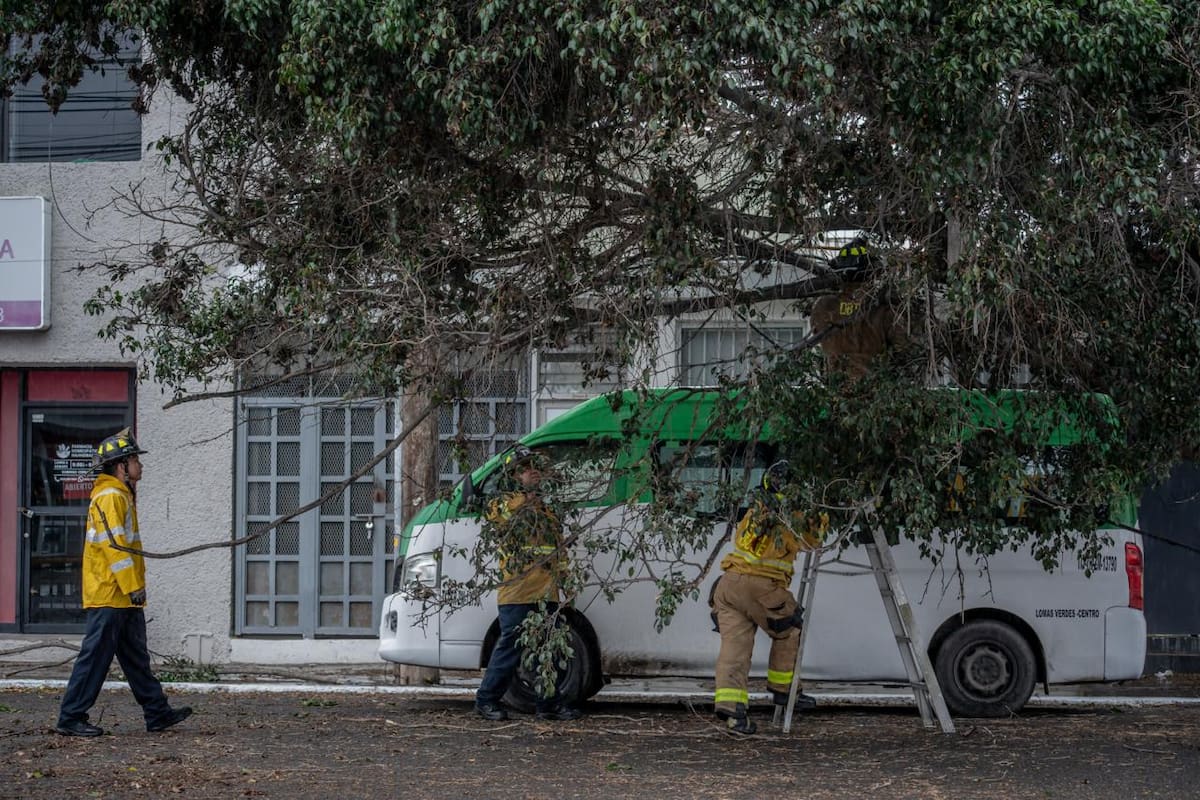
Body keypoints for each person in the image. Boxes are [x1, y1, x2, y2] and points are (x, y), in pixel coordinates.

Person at [56, 429, 192, 737]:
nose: (140, 466)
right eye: (134, 460)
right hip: (111, 594)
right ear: (121, 466)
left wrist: (132, 590)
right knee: (94, 659)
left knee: (135, 658)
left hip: (122, 595)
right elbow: (114, 548)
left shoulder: (119, 495)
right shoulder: (111, 497)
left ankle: (157, 712)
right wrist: (133, 586)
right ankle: (70, 717)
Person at [710, 460, 825, 735]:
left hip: (727, 586)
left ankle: (733, 712)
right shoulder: (791, 514)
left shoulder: (755, 509)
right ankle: (785, 691)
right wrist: (820, 511)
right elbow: (814, 541)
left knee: (734, 648)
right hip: (760, 587)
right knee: (790, 627)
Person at [474, 446, 582, 722]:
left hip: (547, 593)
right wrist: (526, 496)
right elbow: (499, 519)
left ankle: (549, 705)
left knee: (550, 650)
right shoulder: (502, 504)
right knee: (510, 649)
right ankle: (486, 701)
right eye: (525, 468)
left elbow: (558, 550)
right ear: (512, 476)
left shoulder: (546, 511)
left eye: (535, 467)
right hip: (518, 592)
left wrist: (566, 583)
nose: (533, 471)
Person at [809, 237, 906, 380]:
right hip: (875, 391)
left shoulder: (823, 306)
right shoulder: (883, 306)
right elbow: (903, 347)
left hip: (835, 390)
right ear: (873, 273)